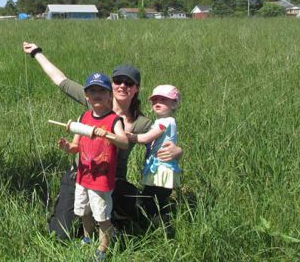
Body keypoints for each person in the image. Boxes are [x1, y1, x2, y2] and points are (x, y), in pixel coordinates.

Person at [21, 41, 183, 236]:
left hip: (113, 182)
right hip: (81, 176)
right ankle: (85, 215)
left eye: (129, 83)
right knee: (61, 234)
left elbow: (162, 142)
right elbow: (61, 80)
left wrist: (178, 151)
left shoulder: (142, 123)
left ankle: (117, 214)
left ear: (136, 89)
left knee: (140, 216)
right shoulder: (96, 99)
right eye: (118, 81)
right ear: (111, 85)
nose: (123, 86)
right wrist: (36, 52)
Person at [57, 72, 128, 262]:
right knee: (83, 212)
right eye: (92, 90)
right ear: (86, 96)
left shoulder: (114, 120)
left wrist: (105, 134)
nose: (97, 94)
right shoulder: (83, 117)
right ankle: (88, 238)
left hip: (101, 181)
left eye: (102, 91)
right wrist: (67, 148)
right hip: (83, 177)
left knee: (102, 216)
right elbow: (75, 147)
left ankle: (103, 248)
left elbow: (123, 142)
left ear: (109, 96)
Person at [136, 85, 182, 233]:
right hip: (159, 166)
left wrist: (127, 136)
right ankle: (160, 225)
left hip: (162, 168)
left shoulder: (166, 122)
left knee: (152, 199)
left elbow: (145, 138)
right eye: (155, 100)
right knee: (155, 199)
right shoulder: (162, 122)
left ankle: (164, 229)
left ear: (174, 104)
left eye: (163, 100)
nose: (157, 102)